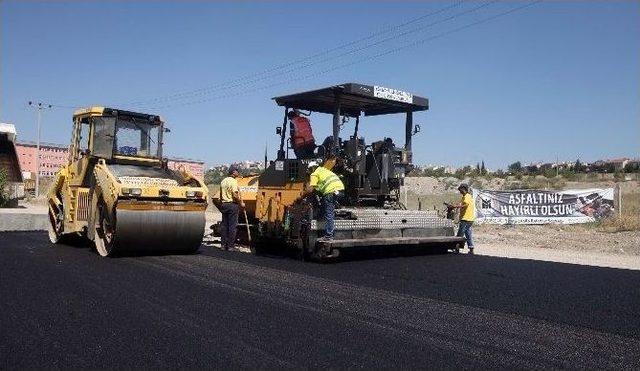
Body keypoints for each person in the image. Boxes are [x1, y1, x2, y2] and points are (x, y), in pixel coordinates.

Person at [302, 161, 345, 240]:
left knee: (329, 214)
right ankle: (322, 231)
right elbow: (320, 187)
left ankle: (329, 236)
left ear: (312, 168)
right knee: (322, 210)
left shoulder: (314, 174)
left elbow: (310, 190)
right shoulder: (324, 170)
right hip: (340, 190)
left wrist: (301, 197)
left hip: (331, 192)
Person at [219, 165, 245, 250]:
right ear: (233, 172)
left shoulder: (223, 181)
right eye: (237, 171)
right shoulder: (233, 181)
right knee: (232, 226)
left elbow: (220, 195)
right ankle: (230, 246)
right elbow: (235, 194)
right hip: (232, 205)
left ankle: (223, 245)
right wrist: (241, 202)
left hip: (224, 204)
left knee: (224, 225)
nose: (238, 172)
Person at [449, 183, 476, 254]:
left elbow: (466, 204)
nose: (460, 191)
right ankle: (471, 248)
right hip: (469, 219)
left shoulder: (467, 196)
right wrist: (455, 206)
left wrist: (456, 207)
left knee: (460, 234)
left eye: (460, 189)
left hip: (466, 218)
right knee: (468, 233)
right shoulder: (466, 197)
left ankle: (456, 248)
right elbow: (461, 204)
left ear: (464, 189)